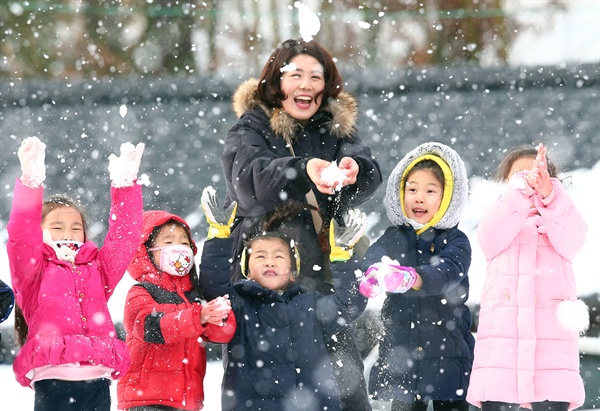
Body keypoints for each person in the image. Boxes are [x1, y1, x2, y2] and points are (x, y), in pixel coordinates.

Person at [221, 38, 382, 409]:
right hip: (264, 278)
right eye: (296, 75)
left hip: (324, 273)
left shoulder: (335, 127)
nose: (306, 85)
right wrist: (303, 170)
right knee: (261, 384)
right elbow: (249, 181)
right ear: (276, 82)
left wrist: (354, 172)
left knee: (342, 384)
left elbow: (367, 169)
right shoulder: (252, 126)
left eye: (316, 76)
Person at [198, 187, 369, 411]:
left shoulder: (311, 304)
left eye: (278, 256)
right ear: (247, 270)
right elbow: (214, 289)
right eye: (260, 256)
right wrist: (219, 236)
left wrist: (343, 257)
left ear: (292, 271)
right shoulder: (239, 304)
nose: (270, 262)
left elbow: (348, 304)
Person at [7, 136, 145, 411]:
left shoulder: (97, 269)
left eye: (75, 228)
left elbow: (123, 240)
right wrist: (31, 182)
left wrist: (125, 186)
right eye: (57, 228)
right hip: (53, 379)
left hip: (98, 379)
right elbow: (21, 236)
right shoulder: (33, 271)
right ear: (41, 233)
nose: (68, 234)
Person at [466, 143, 588, 411]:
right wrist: (520, 192)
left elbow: (575, 238)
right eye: (517, 178)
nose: (528, 182)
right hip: (501, 355)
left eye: (533, 175)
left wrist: (549, 196)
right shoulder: (495, 218)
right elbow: (490, 237)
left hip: (551, 357)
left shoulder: (561, 217)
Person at [361, 142, 474, 411]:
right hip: (402, 353)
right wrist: (371, 275)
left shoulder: (456, 240)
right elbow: (372, 259)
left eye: (429, 191)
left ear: (447, 198)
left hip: (447, 352)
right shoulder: (393, 236)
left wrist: (414, 278)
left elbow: (448, 272)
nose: (418, 197)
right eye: (412, 190)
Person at [117, 210, 237, 411]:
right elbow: (151, 326)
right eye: (169, 241)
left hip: (186, 402)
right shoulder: (141, 292)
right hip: (145, 401)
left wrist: (218, 315)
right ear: (146, 250)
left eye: (184, 242)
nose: (179, 248)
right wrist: (198, 316)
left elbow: (220, 334)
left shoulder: (193, 296)